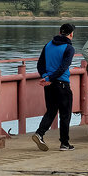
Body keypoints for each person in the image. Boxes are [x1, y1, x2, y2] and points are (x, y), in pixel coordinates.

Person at [33, 23, 76, 152]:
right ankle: (64, 143)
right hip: (62, 85)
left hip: (49, 85)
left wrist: (46, 77)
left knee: (51, 111)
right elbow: (63, 68)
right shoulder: (69, 48)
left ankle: (39, 133)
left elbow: (40, 65)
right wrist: (51, 78)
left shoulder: (48, 45)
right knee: (65, 114)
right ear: (71, 34)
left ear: (59, 32)